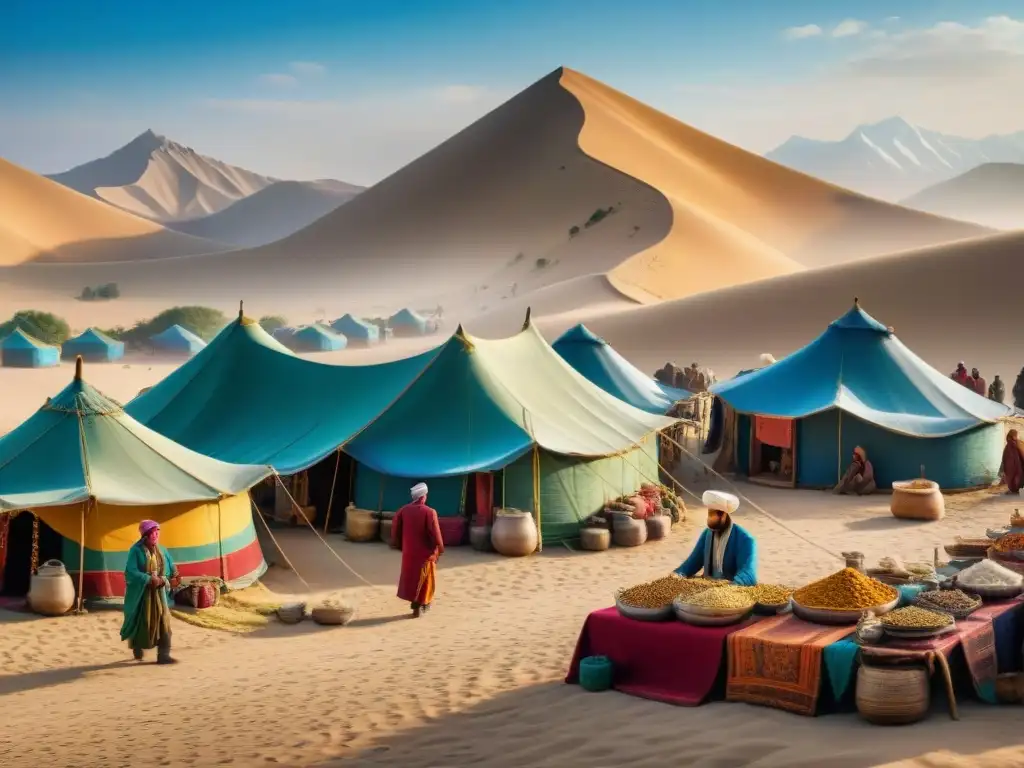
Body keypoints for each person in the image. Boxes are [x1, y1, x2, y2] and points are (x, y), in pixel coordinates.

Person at [120, 520, 180, 664]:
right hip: (142, 594)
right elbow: (131, 571)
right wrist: (148, 579)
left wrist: (176, 576)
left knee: (164, 621)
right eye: (152, 533)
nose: (155, 535)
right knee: (142, 622)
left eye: (157, 532)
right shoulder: (135, 550)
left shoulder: (162, 550)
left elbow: (171, 565)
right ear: (145, 536)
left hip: (160, 594)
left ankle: (163, 655)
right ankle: (136, 646)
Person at [674, 490, 757, 586]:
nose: (708, 518)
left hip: (732, 591)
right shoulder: (707, 534)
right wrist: (678, 574)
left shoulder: (745, 540)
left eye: (711, 514)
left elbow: (748, 574)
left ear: (723, 515)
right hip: (708, 587)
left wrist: (731, 586)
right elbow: (692, 562)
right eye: (709, 514)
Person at [392, 482, 444, 618]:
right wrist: (439, 549)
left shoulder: (403, 510)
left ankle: (415, 605)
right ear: (423, 497)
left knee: (411, 578)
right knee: (425, 579)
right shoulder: (429, 512)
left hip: (409, 553)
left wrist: (399, 545)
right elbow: (435, 534)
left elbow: (395, 529)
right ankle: (420, 605)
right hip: (425, 553)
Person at [1000, 429, 1024, 494]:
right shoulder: (1009, 446)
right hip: (1012, 466)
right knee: (1014, 477)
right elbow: (1004, 458)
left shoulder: (1018, 443)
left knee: (1017, 477)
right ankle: (1015, 490)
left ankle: (1016, 489)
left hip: (1017, 465)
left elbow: (1022, 452)